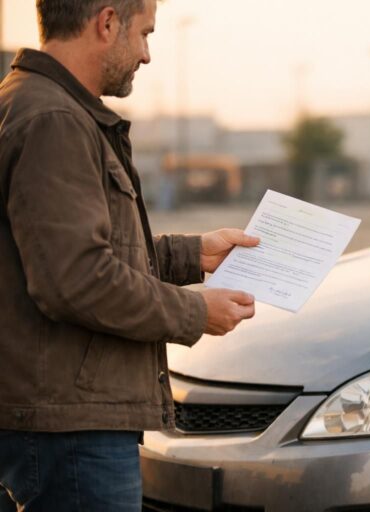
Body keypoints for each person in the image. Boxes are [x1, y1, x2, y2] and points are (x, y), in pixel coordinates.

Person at [0, 1, 259, 510]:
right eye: (144, 34)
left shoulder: (41, 106)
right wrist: (197, 312)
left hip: (67, 419)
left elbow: (84, 254)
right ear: (108, 22)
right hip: (72, 430)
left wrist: (195, 254)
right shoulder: (54, 119)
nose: (146, 54)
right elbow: (76, 279)